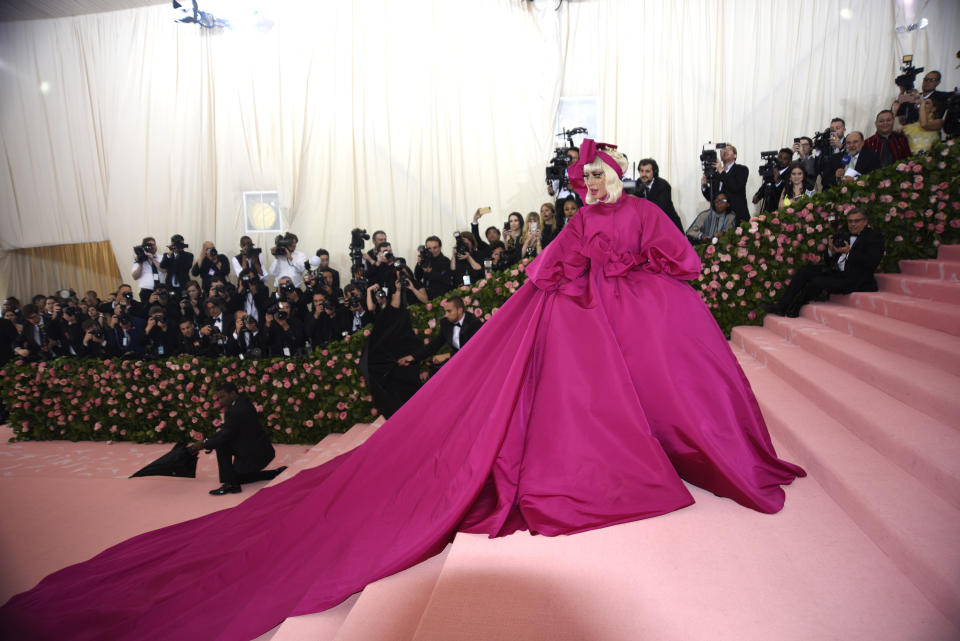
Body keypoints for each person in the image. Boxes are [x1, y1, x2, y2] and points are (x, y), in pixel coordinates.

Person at [0, 139, 804, 641]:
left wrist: (629, 270)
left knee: (669, 377)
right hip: (590, 326)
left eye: (600, 175)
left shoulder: (647, 211)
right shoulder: (574, 223)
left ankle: (691, 446)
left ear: (619, 175)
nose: (592, 186)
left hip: (639, 317)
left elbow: (686, 262)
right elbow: (545, 270)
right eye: (583, 178)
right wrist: (583, 270)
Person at [763, 207, 883, 318]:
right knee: (804, 271)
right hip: (836, 271)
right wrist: (831, 250)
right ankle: (782, 306)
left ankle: (796, 307)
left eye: (856, 221)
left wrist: (849, 252)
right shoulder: (844, 232)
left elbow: (871, 262)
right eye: (850, 221)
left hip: (855, 278)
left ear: (865, 221)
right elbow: (830, 260)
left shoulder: (874, 237)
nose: (853, 224)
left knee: (817, 281)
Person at [186, 383, 286, 495]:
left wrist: (204, 444)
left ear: (233, 394)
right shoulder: (239, 403)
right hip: (257, 448)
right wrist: (207, 442)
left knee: (222, 446)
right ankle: (272, 474)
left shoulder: (237, 410)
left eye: (222, 397)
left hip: (255, 455)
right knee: (238, 475)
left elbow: (226, 435)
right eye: (218, 398)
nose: (220, 401)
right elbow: (227, 431)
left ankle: (232, 484)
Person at [700, 144, 749, 224]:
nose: (725, 151)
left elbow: (735, 187)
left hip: (737, 217)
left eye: (728, 150)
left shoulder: (742, 169)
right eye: (722, 150)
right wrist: (704, 187)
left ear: (735, 155)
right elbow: (711, 198)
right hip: (720, 219)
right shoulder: (716, 174)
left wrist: (720, 170)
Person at [632, 158, 683, 230]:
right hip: (650, 225)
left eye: (647, 171)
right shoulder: (638, 182)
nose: (643, 174)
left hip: (668, 226)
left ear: (654, 172)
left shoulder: (663, 185)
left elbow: (658, 209)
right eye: (641, 171)